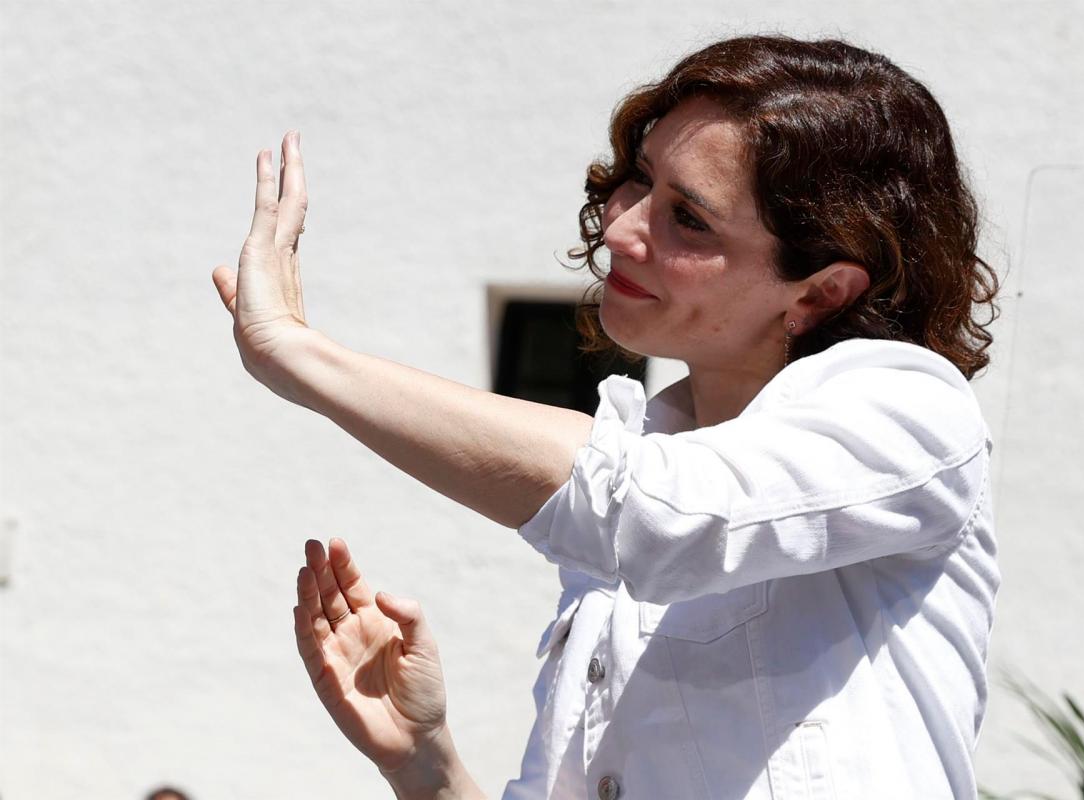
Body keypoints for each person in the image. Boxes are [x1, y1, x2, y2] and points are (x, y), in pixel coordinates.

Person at [215, 35, 1001, 800]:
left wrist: (302, 357)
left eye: (689, 217)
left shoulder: (913, 410)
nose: (622, 227)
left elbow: (656, 512)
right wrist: (428, 768)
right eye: (641, 179)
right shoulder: (641, 465)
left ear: (822, 291)